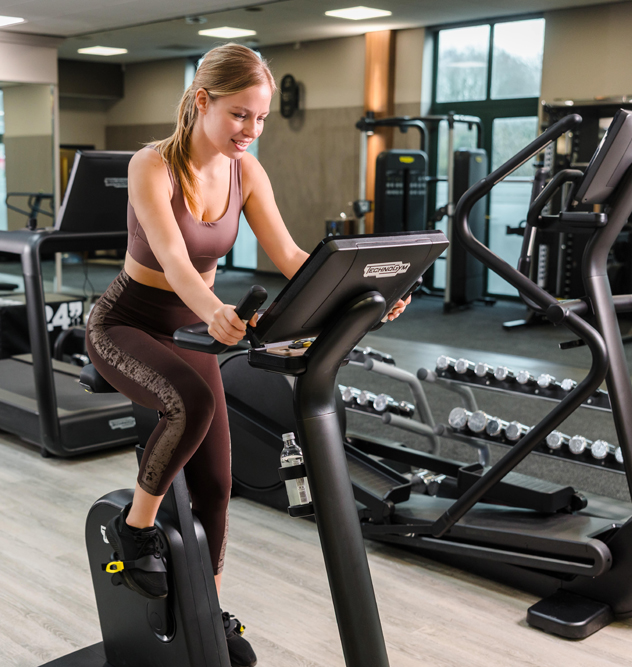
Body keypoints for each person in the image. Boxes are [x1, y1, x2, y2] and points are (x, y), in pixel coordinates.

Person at [85, 43, 408, 667]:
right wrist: (214, 312)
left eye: (260, 119)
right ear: (202, 102)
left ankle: (205, 609)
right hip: (126, 322)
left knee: (216, 484)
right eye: (240, 115)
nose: (251, 131)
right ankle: (137, 527)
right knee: (195, 400)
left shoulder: (246, 172)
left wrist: (366, 294)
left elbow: (291, 257)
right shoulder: (150, 164)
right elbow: (176, 259)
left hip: (193, 327)